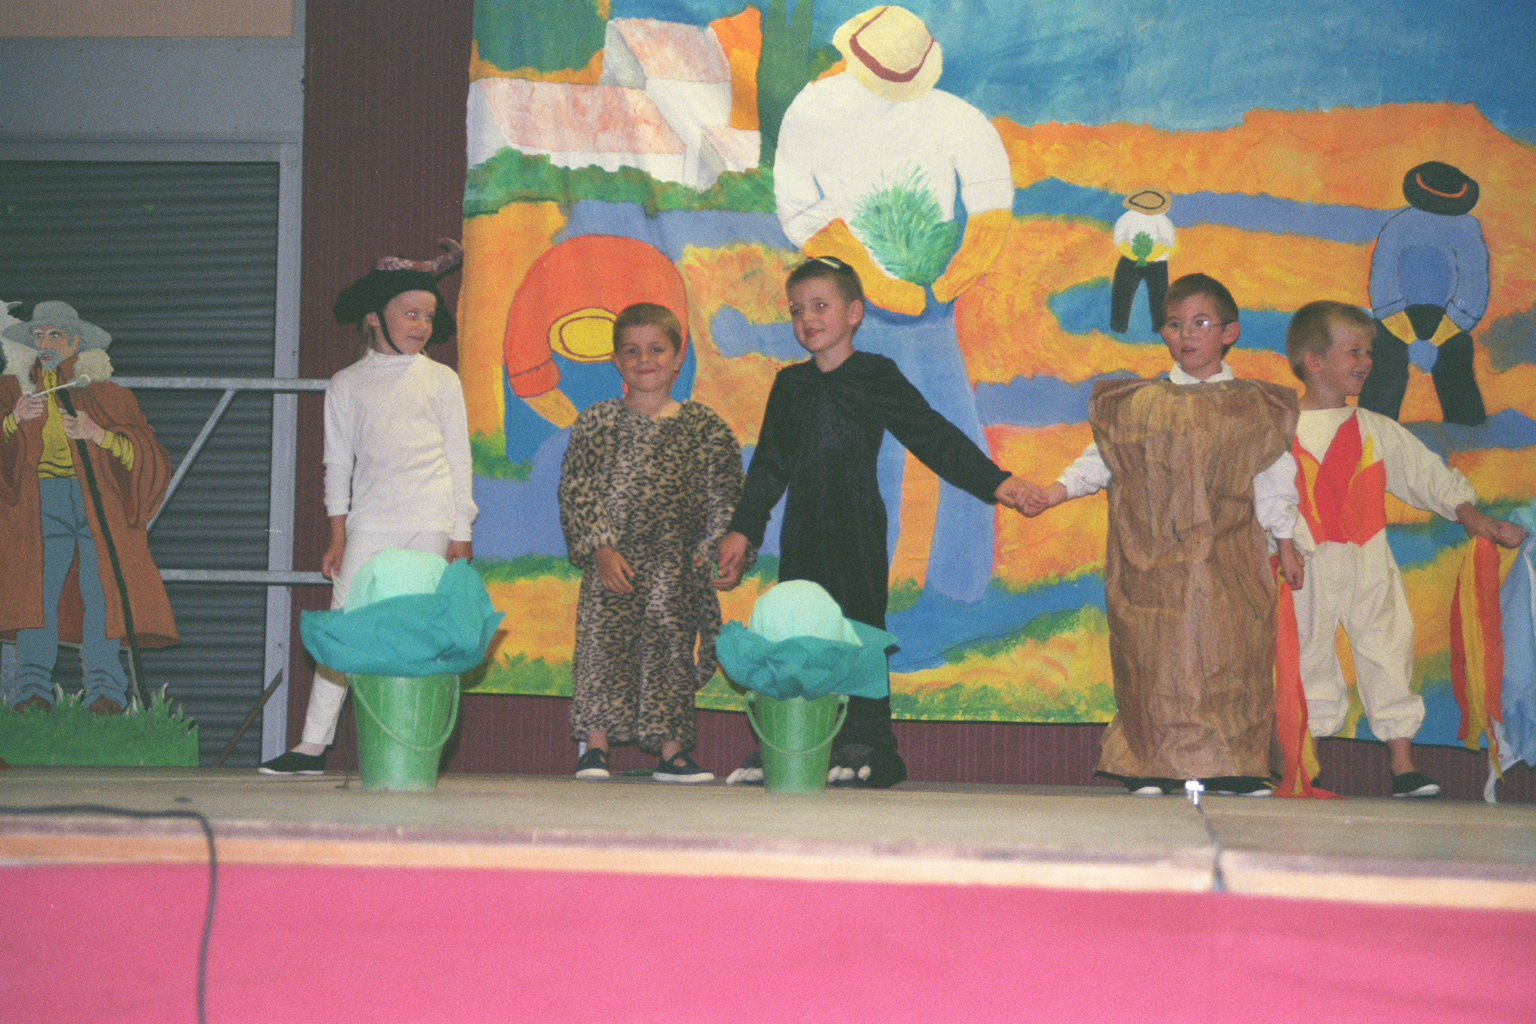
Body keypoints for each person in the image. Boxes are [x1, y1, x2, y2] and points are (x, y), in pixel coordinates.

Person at [715, 257, 1030, 788]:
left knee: (859, 629)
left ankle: (871, 744)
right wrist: (742, 530)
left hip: (857, 528)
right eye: (797, 310)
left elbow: (931, 434)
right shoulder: (790, 386)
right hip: (802, 532)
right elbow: (768, 467)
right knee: (799, 630)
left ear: (855, 313)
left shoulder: (876, 375)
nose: (807, 319)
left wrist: (995, 482)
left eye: (821, 306)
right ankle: (795, 738)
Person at [1022, 274, 1303, 796]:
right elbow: (1103, 460)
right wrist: (1056, 492)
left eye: (1201, 323)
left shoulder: (1252, 408)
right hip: (1150, 562)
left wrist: (1286, 542)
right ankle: (1151, 764)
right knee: (1155, 661)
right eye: (1174, 325)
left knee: (1231, 655)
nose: (1186, 334)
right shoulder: (1140, 403)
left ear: (1230, 333)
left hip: (1229, 560)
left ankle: (1235, 765)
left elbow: (1273, 478)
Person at [1284, 300, 1526, 797]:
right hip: (1304, 564)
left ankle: (1403, 763)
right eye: (1354, 351)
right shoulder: (1279, 429)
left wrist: (1476, 520)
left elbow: (1428, 477)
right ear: (1315, 361)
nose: (1367, 362)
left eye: (1368, 352)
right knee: (1307, 657)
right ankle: (1306, 763)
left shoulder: (1374, 430)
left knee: (1389, 651)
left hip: (1368, 561)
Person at [259, 250, 476, 775]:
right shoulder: (347, 384)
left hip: (430, 519)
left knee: (420, 628)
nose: (421, 326)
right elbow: (338, 463)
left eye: (428, 317)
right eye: (410, 314)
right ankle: (312, 746)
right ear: (376, 317)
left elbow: (459, 459)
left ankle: (415, 742)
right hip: (371, 523)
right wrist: (338, 535)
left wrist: (461, 530)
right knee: (345, 625)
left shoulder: (442, 380)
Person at [558, 303, 746, 783]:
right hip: (612, 563)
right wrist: (601, 549)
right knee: (603, 648)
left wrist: (716, 552)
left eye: (657, 349)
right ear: (616, 361)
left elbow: (726, 497)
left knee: (670, 650)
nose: (645, 360)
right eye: (632, 351)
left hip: (675, 567)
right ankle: (595, 747)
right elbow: (578, 490)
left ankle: (672, 751)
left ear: (678, 357)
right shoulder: (598, 423)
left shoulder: (705, 428)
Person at [0, 301, 178, 714]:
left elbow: (148, 455)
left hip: (98, 504)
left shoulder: (105, 394)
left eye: (56, 335)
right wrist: (12, 421)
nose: (46, 343)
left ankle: (106, 694)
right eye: (39, 335)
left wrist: (100, 435)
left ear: (77, 342)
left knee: (103, 595)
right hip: (41, 501)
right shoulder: (14, 392)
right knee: (38, 595)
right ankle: (32, 693)